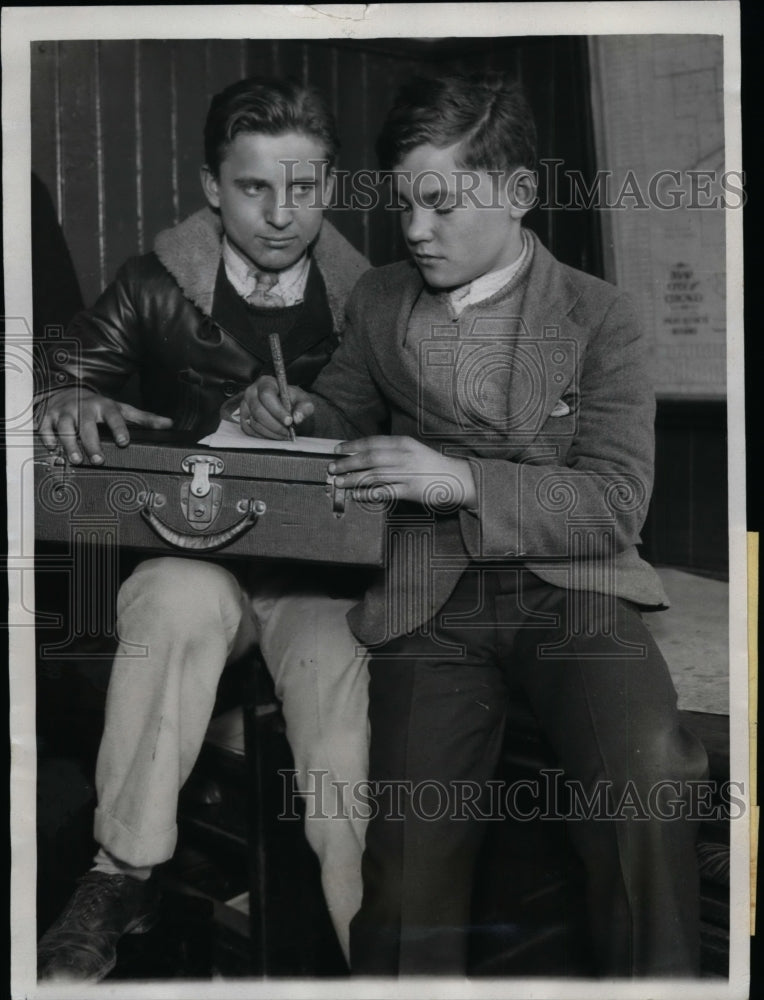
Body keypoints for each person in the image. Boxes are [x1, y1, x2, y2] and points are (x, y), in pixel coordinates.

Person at [244, 71, 710, 977]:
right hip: (431, 600)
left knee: (648, 783)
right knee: (408, 869)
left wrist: (460, 477)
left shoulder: (603, 316)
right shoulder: (379, 300)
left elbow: (615, 503)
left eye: (442, 204)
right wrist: (298, 413)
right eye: (406, 204)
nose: (416, 230)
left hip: (576, 592)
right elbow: (338, 410)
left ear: (520, 192)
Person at [35, 76, 371, 981]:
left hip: (319, 578)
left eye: (303, 188)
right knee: (170, 601)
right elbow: (61, 373)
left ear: (330, 187)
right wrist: (64, 394)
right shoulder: (153, 284)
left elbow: (411, 435)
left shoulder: (372, 297)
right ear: (212, 187)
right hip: (199, 558)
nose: (279, 213)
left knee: (345, 695)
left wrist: (329, 420)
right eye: (255, 187)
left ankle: (372, 934)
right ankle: (120, 873)